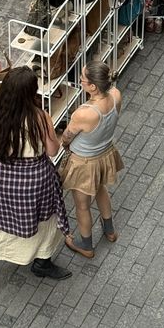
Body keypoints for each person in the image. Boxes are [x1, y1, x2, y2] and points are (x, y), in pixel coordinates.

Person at [0, 67, 70, 280]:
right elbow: (53, 150)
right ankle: (42, 262)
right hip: (35, 181)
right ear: (31, 92)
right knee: (44, 222)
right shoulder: (39, 118)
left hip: (3, 177)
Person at [60, 59, 124, 258]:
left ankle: (85, 245)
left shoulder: (84, 113)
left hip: (84, 163)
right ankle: (109, 230)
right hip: (104, 153)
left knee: (81, 205)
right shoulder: (116, 95)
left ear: (93, 86)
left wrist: (64, 144)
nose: (80, 81)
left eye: (83, 80)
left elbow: (66, 137)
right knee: (100, 189)